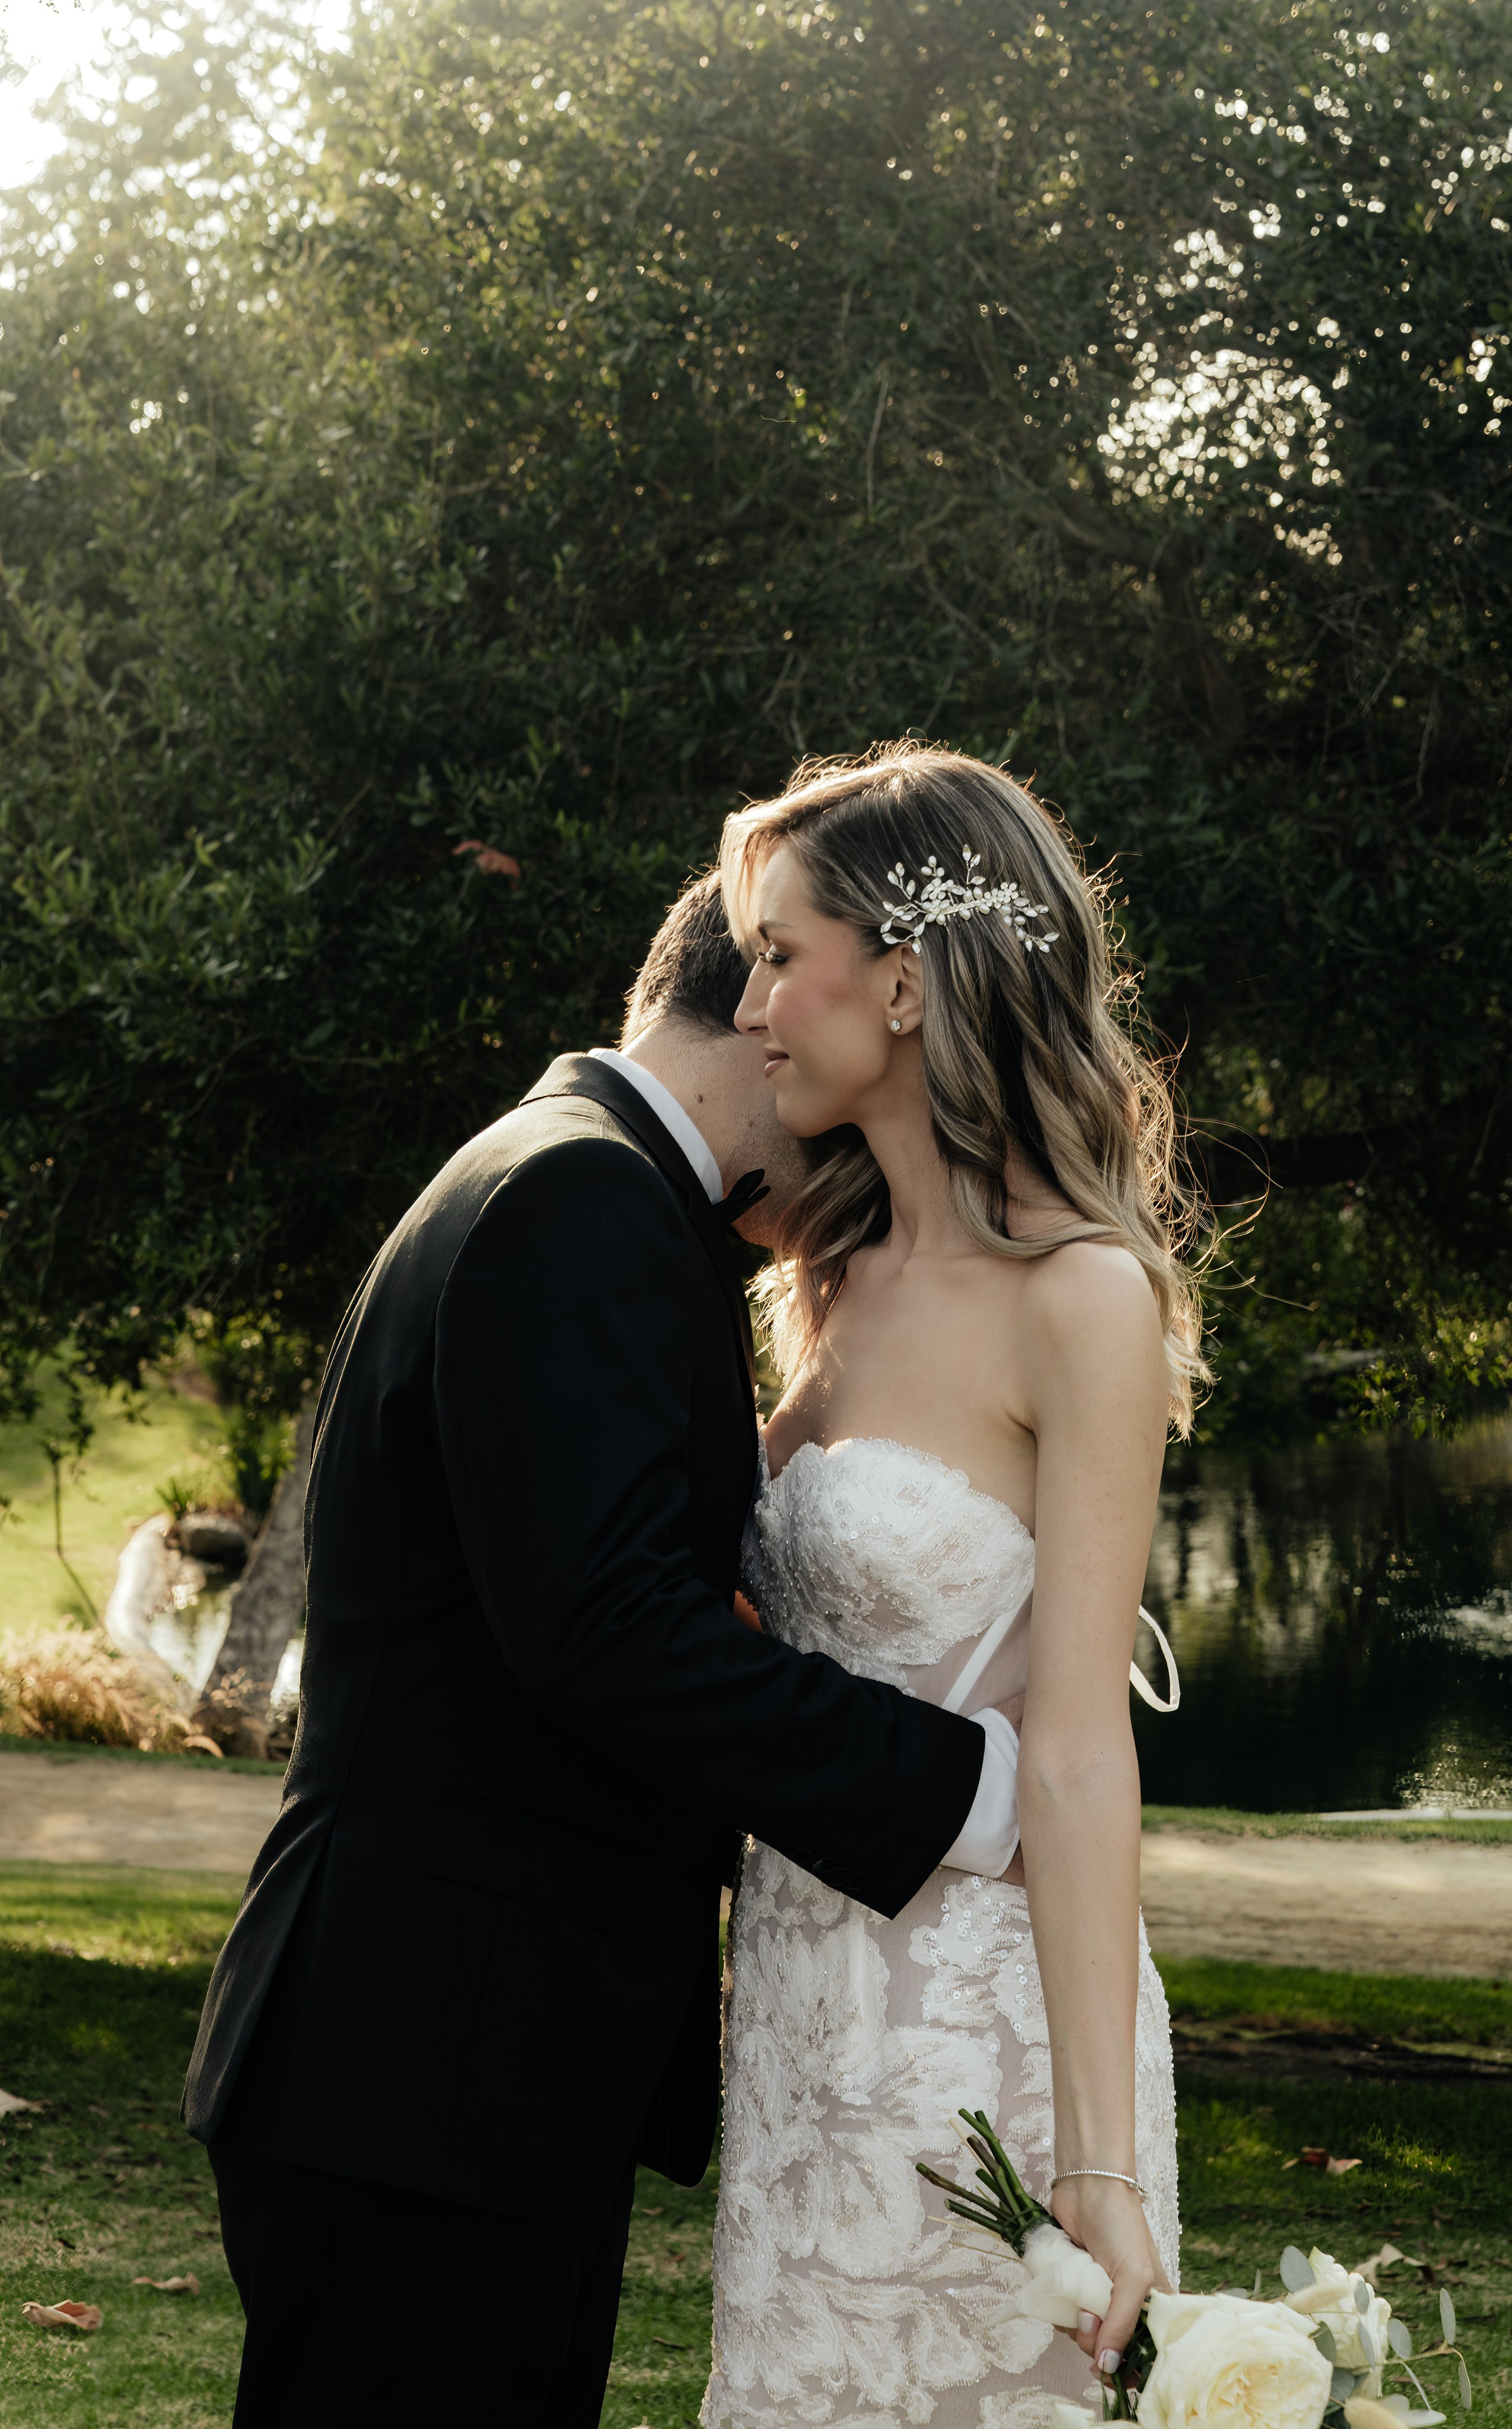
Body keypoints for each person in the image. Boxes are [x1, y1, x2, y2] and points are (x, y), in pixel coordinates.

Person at [183, 871, 1024, 2428]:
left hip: (443, 2057)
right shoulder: (583, 1199)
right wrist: (963, 1784)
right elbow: (604, 1631)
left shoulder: (573, 1177)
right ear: (762, 1015)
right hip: (429, 2059)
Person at [703, 745, 1203, 2429]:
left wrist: (1101, 2166)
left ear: (904, 984)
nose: (749, 1000)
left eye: (780, 953)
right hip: (794, 2010)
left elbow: (1070, 1752)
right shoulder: (828, 1269)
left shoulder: (1081, 1300)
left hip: (977, 2038)